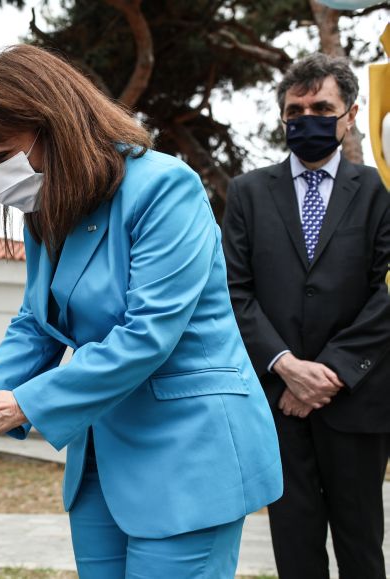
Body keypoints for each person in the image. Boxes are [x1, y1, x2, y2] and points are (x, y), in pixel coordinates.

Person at [0, 44, 283, 578]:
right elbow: (36, 323)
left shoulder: (165, 187)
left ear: (53, 123)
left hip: (187, 453)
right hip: (100, 460)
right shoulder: (48, 208)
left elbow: (147, 335)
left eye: (2, 155)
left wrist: (19, 405)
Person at [222, 53, 390, 579]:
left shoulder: (377, 194)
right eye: (296, 110)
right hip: (277, 405)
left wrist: (333, 370)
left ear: (351, 114)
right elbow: (235, 291)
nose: (307, 118)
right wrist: (287, 366)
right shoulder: (248, 193)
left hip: (357, 402)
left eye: (322, 107)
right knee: (294, 545)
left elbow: (384, 293)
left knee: (362, 545)